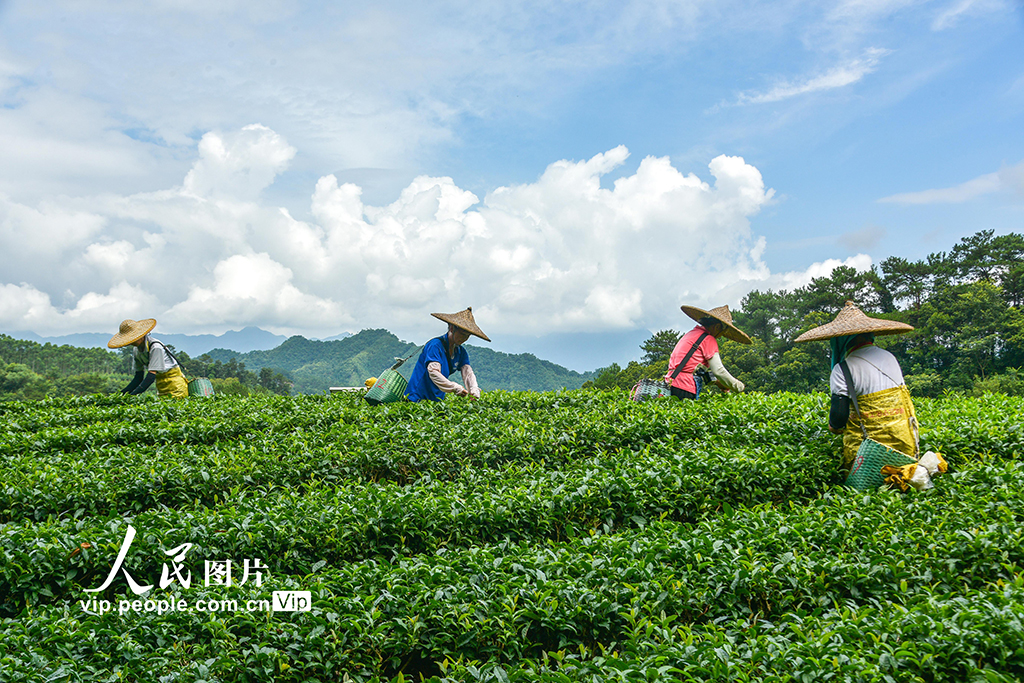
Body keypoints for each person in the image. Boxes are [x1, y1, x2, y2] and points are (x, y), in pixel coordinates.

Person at [794, 300, 918, 468]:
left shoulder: (843, 369)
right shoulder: (890, 357)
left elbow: (839, 416)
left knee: (865, 491)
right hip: (903, 442)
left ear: (841, 340)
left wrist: (834, 427)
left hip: (869, 454)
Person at [405, 307, 489, 402]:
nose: (464, 338)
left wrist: (473, 389)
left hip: (437, 399)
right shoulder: (435, 346)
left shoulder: (460, 352)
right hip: (417, 396)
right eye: (462, 334)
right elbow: (433, 372)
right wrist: (454, 387)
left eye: (467, 336)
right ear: (452, 328)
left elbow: (468, 372)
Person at [666, 304, 749, 400]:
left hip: (671, 383)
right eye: (722, 332)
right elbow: (719, 370)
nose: (721, 335)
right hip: (685, 387)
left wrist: (718, 383)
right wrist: (738, 386)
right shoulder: (708, 339)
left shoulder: (691, 334)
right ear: (717, 327)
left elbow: (692, 368)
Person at [108, 318, 188, 399]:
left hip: (175, 386)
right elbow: (138, 377)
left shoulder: (155, 347)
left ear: (141, 335)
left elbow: (150, 377)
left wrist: (131, 396)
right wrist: (121, 395)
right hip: (161, 385)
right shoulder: (136, 350)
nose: (131, 342)